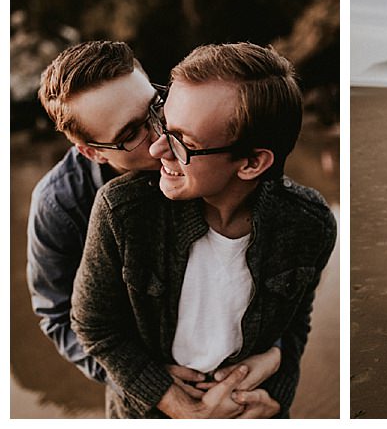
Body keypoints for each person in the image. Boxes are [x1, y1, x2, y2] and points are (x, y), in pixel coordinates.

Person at [70, 42, 337, 418]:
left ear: (252, 162)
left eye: (183, 142)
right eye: (164, 123)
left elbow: (295, 323)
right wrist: (176, 404)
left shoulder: (311, 224)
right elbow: (93, 326)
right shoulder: (122, 212)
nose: (157, 148)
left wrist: (275, 398)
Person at [28, 40, 280, 416]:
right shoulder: (59, 205)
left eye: (155, 106)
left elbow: (283, 276)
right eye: (131, 134)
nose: (161, 136)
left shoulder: (221, 154)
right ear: (92, 151)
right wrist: (150, 383)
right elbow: (59, 315)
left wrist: (275, 356)